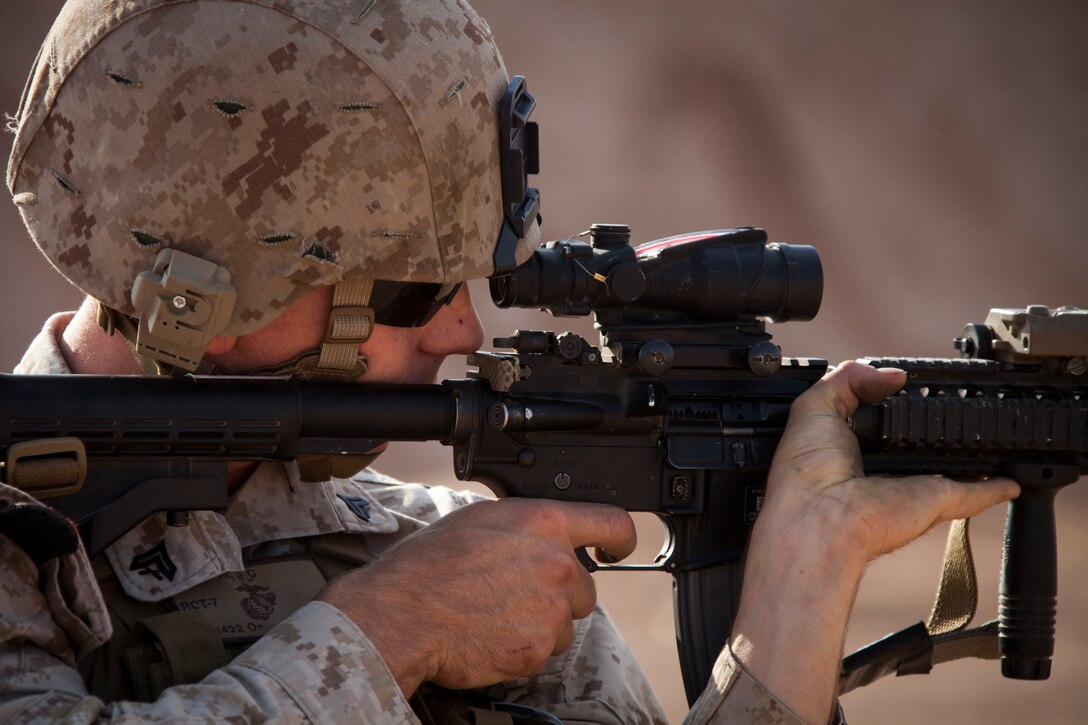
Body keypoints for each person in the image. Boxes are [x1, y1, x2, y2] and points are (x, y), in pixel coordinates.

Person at [0, 1, 1018, 723]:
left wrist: (798, 585)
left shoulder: (450, 554)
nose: (460, 332)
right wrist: (389, 630)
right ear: (213, 305)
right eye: (413, 291)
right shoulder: (428, 578)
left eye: (472, 280)